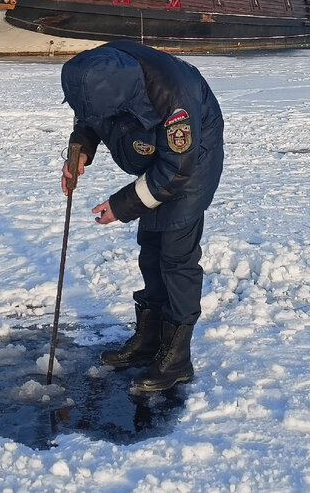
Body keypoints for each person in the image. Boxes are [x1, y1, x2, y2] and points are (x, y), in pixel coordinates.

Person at [60, 40, 224, 394]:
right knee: (150, 246)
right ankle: (149, 340)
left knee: (176, 254)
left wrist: (122, 205)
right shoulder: (98, 70)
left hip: (192, 162)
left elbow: (177, 168)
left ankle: (176, 359)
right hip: (159, 157)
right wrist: (80, 150)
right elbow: (88, 114)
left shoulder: (174, 96)